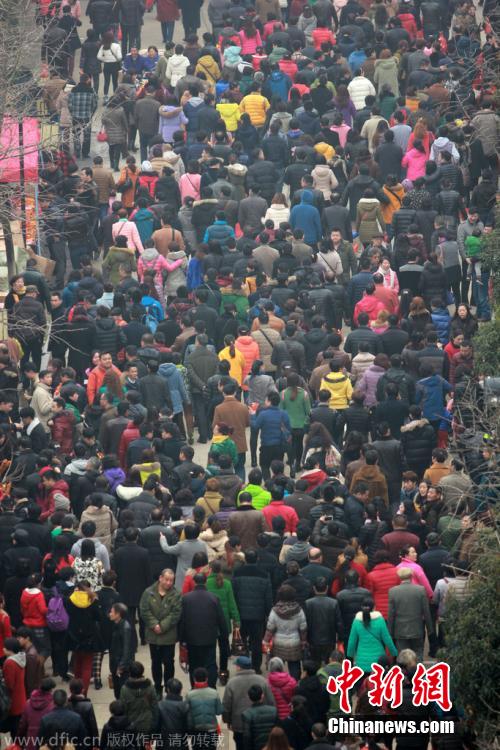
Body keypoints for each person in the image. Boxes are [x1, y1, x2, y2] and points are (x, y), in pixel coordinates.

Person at [139, 568, 182, 699]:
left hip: (168, 635)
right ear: (160, 578)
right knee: (155, 662)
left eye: (171, 580)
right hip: (153, 636)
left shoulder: (176, 594)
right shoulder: (148, 593)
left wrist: (162, 626)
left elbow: (176, 613)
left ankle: (169, 688)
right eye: (167, 580)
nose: (169, 583)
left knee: (169, 662)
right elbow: (144, 611)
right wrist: (154, 625)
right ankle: (157, 687)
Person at [346, 596, 397, 674]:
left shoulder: (357, 621)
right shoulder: (380, 620)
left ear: (362, 607)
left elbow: (352, 642)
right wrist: (394, 654)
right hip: (378, 663)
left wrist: (350, 657)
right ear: (374, 607)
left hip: (361, 662)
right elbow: (387, 639)